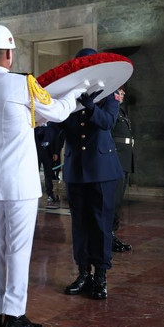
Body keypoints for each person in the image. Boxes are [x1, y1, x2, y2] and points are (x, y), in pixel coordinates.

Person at [0, 24, 86, 327]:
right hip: (19, 184)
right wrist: (76, 94)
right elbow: (57, 112)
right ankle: (15, 318)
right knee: (17, 250)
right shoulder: (22, 85)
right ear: (9, 54)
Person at [58, 48, 123, 301]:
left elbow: (108, 122)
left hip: (102, 169)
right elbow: (58, 122)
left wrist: (90, 106)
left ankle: (101, 276)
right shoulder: (67, 94)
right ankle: (83, 273)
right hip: (75, 169)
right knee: (80, 225)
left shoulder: (110, 92)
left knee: (101, 224)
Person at [111, 86, 134, 250]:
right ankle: (108, 236)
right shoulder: (111, 111)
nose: (123, 93)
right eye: (120, 90)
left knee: (117, 201)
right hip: (116, 160)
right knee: (113, 201)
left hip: (124, 159)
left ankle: (112, 234)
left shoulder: (121, 112)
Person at [34, 123, 60, 207]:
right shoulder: (35, 123)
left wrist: (56, 152)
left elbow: (56, 138)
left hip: (48, 152)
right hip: (36, 152)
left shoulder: (52, 124)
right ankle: (34, 193)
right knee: (34, 173)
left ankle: (50, 194)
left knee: (48, 174)